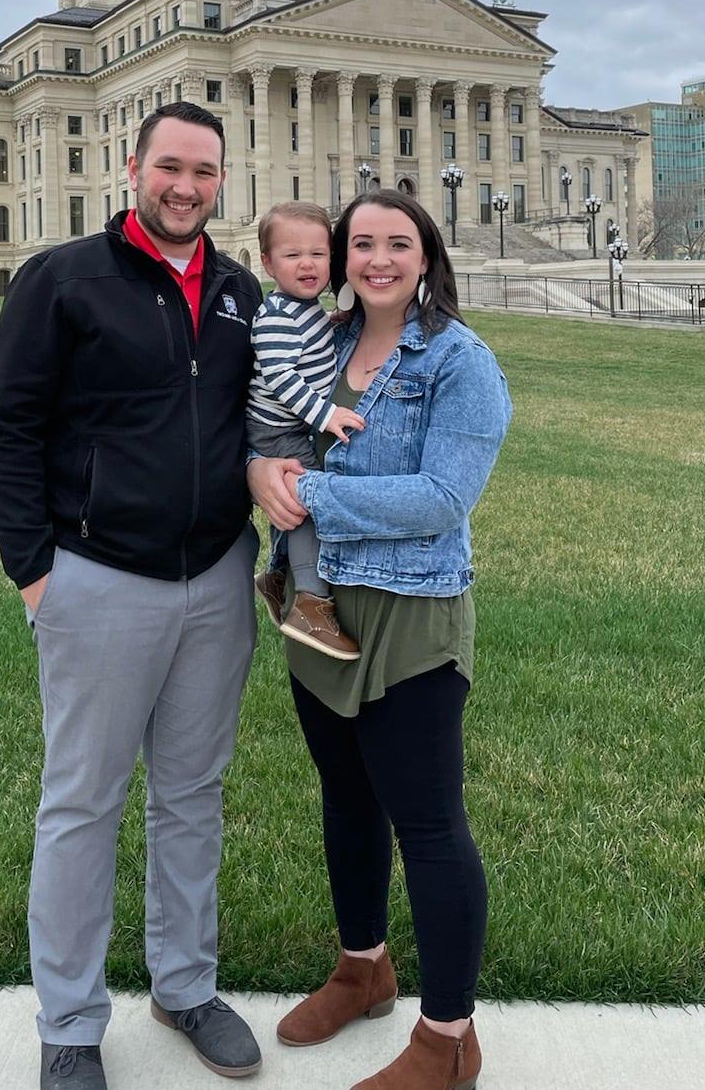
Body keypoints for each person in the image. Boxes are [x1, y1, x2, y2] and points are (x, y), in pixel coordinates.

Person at [0, 102, 265, 1090]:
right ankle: (69, 1023)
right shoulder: (63, 280)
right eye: (170, 167)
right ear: (132, 167)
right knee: (82, 802)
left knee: (192, 796)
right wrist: (35, 571)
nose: (186, 187)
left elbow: (264, 416)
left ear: (221, 181)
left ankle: (185, 986)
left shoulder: (239, 291)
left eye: (204, 172)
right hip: (96, 577)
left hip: (215, 576)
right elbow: (8, 425)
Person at [246, 189, 512, 1090]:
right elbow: (269, 426)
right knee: (347, 798)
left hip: (411, 615)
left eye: (398, 243)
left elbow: (443, 497)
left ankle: (448, 1039)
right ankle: (363, 969)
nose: (378, 260)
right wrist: (258, 468)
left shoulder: (460, 361)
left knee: (429, 825)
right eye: (361, 244)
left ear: (426, 254)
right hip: (320, 609)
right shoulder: (321, 340)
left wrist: (308, 495)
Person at [248, 200, 366, 660]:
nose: (308, 264)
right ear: (268, 263)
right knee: (305, 503)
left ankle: (276, 576)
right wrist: (325, 415)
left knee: (293, 503)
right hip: (277, 429)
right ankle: (311, 604)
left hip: (290, 425)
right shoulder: (277, 316)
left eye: (318, 254)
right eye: (293, 254)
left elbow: (310, 348)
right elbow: (281, 377)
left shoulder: (305, 309)